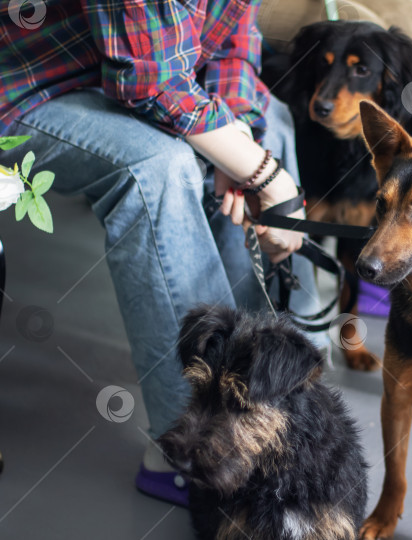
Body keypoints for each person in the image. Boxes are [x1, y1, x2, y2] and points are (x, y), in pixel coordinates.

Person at [0, 0, 325, 505]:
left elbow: (233, 44)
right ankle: (191, 453)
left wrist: (238, 134)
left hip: (116, 81)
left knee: (269, 121)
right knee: (157, 167)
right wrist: (265, 174)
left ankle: (264, 405)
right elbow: (150, 83)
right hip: (23, 89)